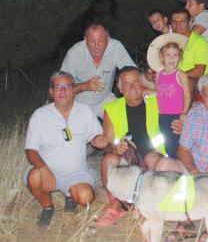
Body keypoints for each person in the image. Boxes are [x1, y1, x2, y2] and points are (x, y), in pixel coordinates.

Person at [24, 71, 111, 228]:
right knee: (34, 177)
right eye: (58, 87)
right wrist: (43, 168)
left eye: (67, 86)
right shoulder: (40, 115)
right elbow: (30, 150)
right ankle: (48, 208)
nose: (63, 90)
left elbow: (97, 137)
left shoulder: (85, 111)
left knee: (86, 197)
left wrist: (100, 140)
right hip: (48, 170)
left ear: (74, 90)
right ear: (51, 92)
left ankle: (70, 194)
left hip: (76, 173)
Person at [96, 66, 177, 227]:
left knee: (153, 159)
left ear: (142, 84)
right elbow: (107, 144)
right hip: (127, 160)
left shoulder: (156, 102)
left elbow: (177, 93)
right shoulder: (112, 109)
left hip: (154, 159)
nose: (132, 87)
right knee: (108, 160)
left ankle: (149, 204)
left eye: (136, 82)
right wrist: (114, 148)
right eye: (126, 84)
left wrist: (154, 90)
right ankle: (116, 205)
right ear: (120, 88)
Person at [60, 22, 135, 117]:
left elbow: (133, 72)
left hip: (105, 99)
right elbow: (62, 88)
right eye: (92, 41)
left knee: (125, 117)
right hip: (79, 103)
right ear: (85, 40)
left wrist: (122, 80)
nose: (97, 46)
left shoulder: (116, 47)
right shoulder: (74, 54)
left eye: (101, 41)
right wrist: (85, 86)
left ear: (108, 39)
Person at [152, 40, 190, 159]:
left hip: (176, 115)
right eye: (168, 55)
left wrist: (184, 113)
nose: (172, 58)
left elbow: (187, 95)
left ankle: (181, 164)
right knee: (167, 143)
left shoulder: (181, 74)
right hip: (162, 116)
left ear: (179, 57)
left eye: (175, 55)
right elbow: (158, 93)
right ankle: (172, 164)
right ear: (162, 57)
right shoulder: (158, 75)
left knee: (177, 144)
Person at [170, 8, 208, 91]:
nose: (177, 25)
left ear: (190, 23)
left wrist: (175, 76)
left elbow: (199, 71)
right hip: (176, 78)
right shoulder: (169, 42)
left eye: (182, 21)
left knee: (186, 81)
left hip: (194, 81)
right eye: (174, 22)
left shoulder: (199, 41)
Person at [179, 0, 208, 66]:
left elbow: (189, 38)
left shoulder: (204, 16)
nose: (186, 7)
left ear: (201, 5)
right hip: (205, 62)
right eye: (186, 3)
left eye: (190, 3)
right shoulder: (197, 19)